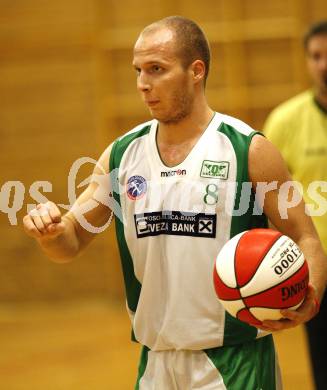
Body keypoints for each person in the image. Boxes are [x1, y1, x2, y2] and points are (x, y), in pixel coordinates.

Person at [23, 16, 327, 390]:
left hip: (236, 361)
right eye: (138, 70)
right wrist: (50, 231)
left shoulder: (247, 149)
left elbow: (306, 238)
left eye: (156, 69)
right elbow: (69, 242)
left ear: (196, 71)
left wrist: (308, 301)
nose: (142, 84)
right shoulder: (122, 155)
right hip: (155, 362)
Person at [263, 20, 327, 390]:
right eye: (315, 56)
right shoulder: (286, 121)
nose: (323, 64)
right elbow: (265, 199)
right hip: (318, 271)